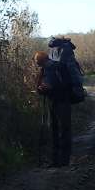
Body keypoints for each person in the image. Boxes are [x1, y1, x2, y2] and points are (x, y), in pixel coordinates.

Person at [38, 37, 84, 167]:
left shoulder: (51, 63)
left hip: (56, 99)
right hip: (62, 99)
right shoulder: (56, 62)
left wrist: (45, 89)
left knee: (57, 129)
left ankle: (57, 160)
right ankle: (63, 160)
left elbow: (56, 84)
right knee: (63, 129)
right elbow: (65, 82)